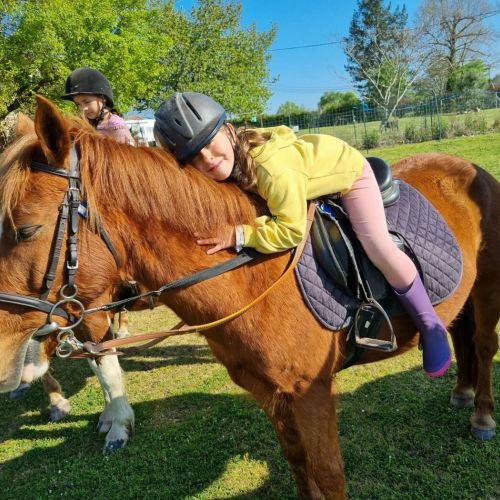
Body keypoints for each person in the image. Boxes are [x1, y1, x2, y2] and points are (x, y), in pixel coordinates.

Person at [153, 92, 451, 378]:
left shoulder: (271, 169)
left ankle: (430, 324)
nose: (207, 158)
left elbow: (291, 230)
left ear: (228, 130)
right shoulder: (232, 160)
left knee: (377, 244)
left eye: (209, 141)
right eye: (194, 157)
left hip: (348, 174)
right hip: (304, 175)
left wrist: (238, 235)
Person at [62, 67, 134, 145]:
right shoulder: (86, 125)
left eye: (87, 102)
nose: (83, 108)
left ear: (103, 98)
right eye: (78, 104)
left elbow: (129, 151)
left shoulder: (116, 124)